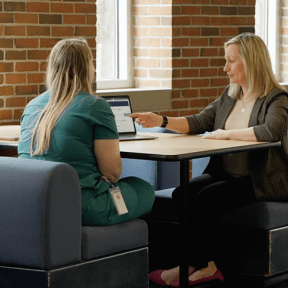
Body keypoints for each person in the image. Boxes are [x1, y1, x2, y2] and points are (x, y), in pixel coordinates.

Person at [130, 32, 288, 287]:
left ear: (251, 62)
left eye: (231, 61)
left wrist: (226, 135)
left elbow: (271, 131)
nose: (225, 68)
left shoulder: (276, 98)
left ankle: (202, 266)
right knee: (182, 193)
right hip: (226, 172)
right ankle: (199, 263)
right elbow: (201, 121)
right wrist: (161, 120)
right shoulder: (230, 94)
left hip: (259, 179)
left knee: (206, 199)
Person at [18, 38, 155, 226]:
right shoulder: (94, 105)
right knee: (144, 188)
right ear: (87, 68)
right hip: (82, 206)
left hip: (35, 204)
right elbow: (113, 174)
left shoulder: (32, 106)